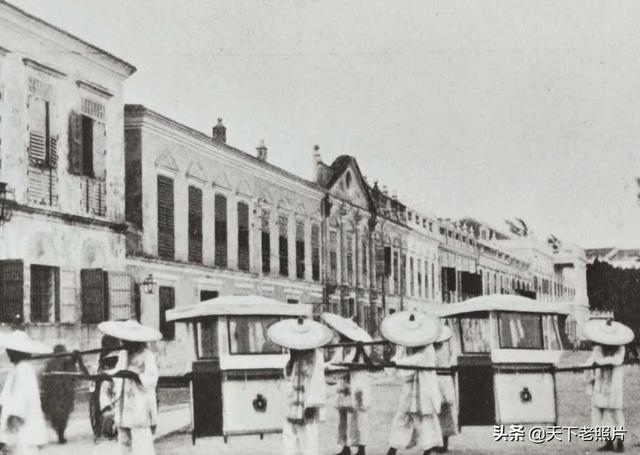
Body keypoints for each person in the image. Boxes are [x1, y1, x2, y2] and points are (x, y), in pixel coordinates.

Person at [267, 317, 333, 455]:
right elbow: (288, 376)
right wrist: (291, 360)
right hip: (291, 405)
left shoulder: (316, 356)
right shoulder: (295, 355)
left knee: (308, 441)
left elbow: (317, 381)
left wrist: (312, 405)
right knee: (289, 439)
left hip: (307, 404)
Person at [381, 311, 443, 455]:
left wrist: (396, 363)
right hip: (410, 386)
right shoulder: (404, 345)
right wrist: (390, 364)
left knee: (426, 417)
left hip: (424, 386)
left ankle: (429, 448)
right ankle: (393, 447)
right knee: (401, 415)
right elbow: (398, 359)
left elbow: (418, 359)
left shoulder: (427, 347)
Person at [97, 320, 162, 455]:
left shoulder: (147, 355)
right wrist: (108, 377)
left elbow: (152, 378)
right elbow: (117, 374)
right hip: (123, 405)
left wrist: (134, 375)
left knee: (142, 442)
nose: (123, 343)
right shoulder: (123, 354)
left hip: (140, 405)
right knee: (124, 441)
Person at [322, 313, 372, 455]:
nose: (340, 338)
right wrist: (324, 366)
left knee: (359, 418)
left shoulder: (360, 348)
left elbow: (351, 365)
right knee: (343, 417)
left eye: (343, 336)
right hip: (344, 387)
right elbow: (335, 362)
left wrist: (359, 349)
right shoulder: (342, 349)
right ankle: (345, 447)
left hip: (357, 387)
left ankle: (362, 447)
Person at [583, 318, 633, 453]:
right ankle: (608, 442)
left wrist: (606, 361)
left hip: (614, 385)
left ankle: (620, 442)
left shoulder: (620, 348)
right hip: (601, 384)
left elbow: (617, 360)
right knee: (602, 414)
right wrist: (604, 362)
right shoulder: (598, 348)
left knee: (616, 414)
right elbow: (597, 360)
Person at [0, 330, 52, 455]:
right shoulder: (18, 368)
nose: (7, 352)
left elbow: (18, 407)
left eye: (10, 349)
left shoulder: (23, 370)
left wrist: (7, 439)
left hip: (22, 438)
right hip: (20, 437)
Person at [40, 344, 78, 444]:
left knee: (62, 416)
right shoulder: (50, 364)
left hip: (64, 394)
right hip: (56, 395)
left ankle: (61, 433)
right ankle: (60, 433)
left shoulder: (67, 362)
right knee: (58, 416)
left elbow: (74, 376)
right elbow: (45, 380)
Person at [433, 326, 457, 453]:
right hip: (434, 378)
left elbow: (453, 357)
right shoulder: (429, 347)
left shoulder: (448, 344)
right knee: (434, 411)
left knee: (445, 410)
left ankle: (444, 441)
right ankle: (435, 441)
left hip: (444, 378)